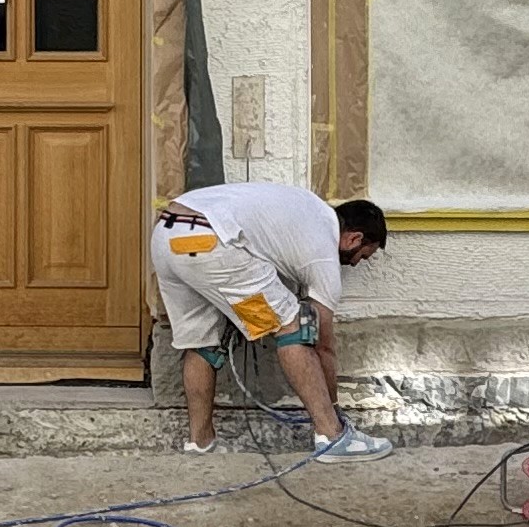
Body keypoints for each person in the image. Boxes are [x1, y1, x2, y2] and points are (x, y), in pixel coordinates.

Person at [156, 182, 390, 457]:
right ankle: (332, 436)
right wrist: (334, 407)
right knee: (294, 326)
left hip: (168, 236)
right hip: (212, 244)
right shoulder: (322, 249)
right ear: (354, 238)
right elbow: (323, 345)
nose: (355, 264)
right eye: (362, 256)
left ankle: (200, 442)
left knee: (202, 344)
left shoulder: (307, 212)